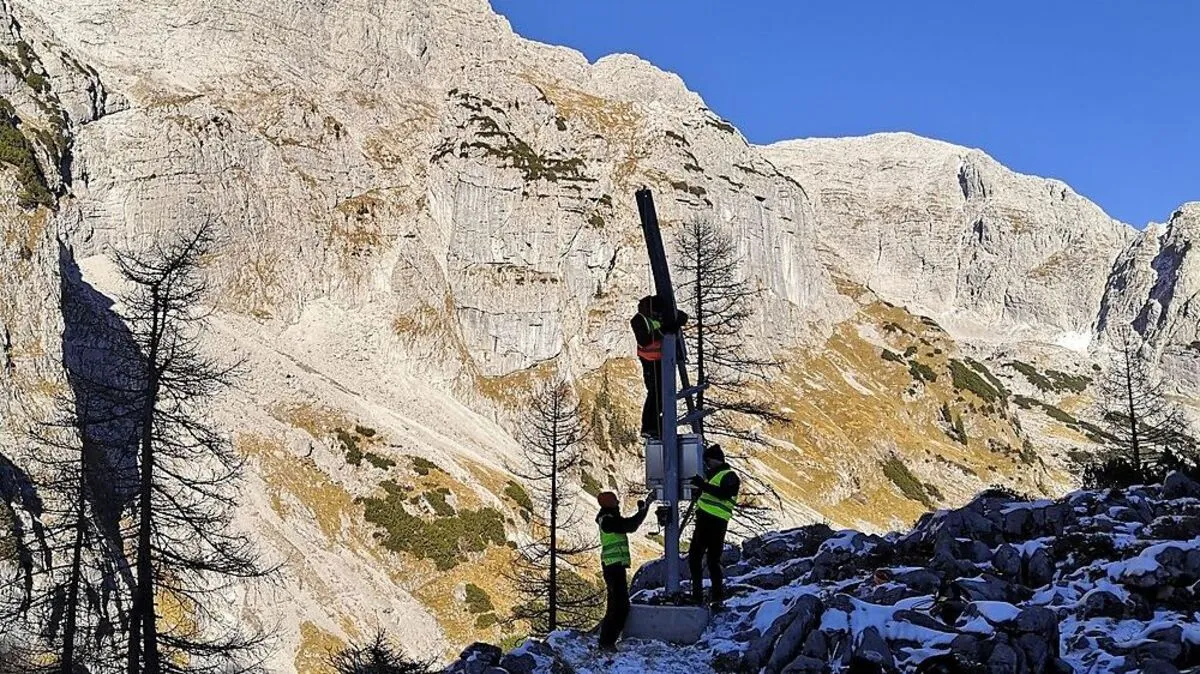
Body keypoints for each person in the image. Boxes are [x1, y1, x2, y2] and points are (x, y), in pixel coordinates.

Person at [595, 491, 651, 651]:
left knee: (617, 604)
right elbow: (630, 526)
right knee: (619, 606)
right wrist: (643, 511)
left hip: (614, 565)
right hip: (613, 566)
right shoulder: (608, 520)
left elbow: (628, 524)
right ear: (608, 503)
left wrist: (643, 511)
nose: (618, 502)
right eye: (614, 500)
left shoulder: (608, 518)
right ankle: (607, 642)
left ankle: (607, 641)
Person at [687, 444, 740, 610]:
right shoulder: (716, 477)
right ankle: (714, 596)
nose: (707, 465)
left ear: (714, 460)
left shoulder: (729, 476)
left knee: (699, 558)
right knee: (710, 560)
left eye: (708, 461)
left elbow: (724, 494)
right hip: (712, 521)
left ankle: (702, 595)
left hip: (712, 522)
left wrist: (703, 486)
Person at [630, 295, 688, 440]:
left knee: (662, 393)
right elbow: (644, 340)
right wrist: (665, 329)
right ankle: (649, 426)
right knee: (655, 392)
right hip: (650, 361)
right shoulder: (639, 320)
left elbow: (681, 317)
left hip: (661, 359)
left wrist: (674, 321)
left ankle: (657, 425)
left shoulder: (657, 317)